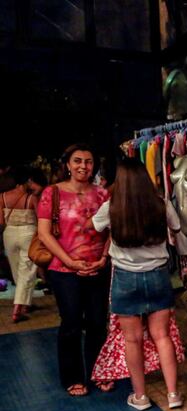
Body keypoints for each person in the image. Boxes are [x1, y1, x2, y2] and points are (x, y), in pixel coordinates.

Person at [92, 159, 183, 411]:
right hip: (158, 276)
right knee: (162, 336)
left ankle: (140, 397)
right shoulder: (160, 204)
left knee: (132, 341)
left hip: (125, 278)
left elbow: (94, 225)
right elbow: (176, 227)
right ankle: (173, 394)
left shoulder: (112, 207)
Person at [37, 144, 111, 397]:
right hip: (63, 270)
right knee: (70, 324)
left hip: (98, 268)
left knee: (97, 323)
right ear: (67, 164)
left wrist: (103, 257)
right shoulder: (52, 193)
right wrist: (69, 262)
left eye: (88, 162)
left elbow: (112, 231)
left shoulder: (103, 194)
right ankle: (73, 377)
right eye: (77, 161)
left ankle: (99, 371)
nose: (83, 166)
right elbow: (44, 234)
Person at [1, 166, 40, 322]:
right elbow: (40, 219)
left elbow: (1, 221)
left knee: (17, 270)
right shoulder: (31, 198)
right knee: (28, 270)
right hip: (28, 234)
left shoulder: (2, 197)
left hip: (9, 234)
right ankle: (19, 307)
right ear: (27, 181)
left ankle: (26, 303)